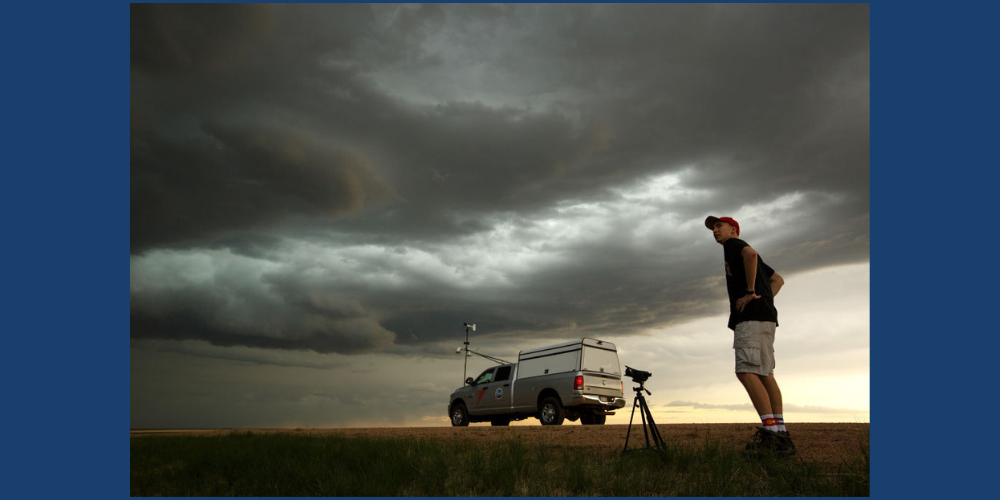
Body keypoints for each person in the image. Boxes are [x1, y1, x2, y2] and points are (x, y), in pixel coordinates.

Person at [704, 215, 796, 457]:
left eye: (719, 226)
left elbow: (751, 254)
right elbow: (778, 280)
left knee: (745, 370)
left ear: (733, 229)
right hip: (766, 318)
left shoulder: (734, 245)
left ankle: (772, 436)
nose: (714, 231)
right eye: (713, 228)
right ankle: (781, 434)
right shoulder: (734, 249)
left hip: (751, 319)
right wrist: (764, 300)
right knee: (765, 373)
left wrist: (750, 293)